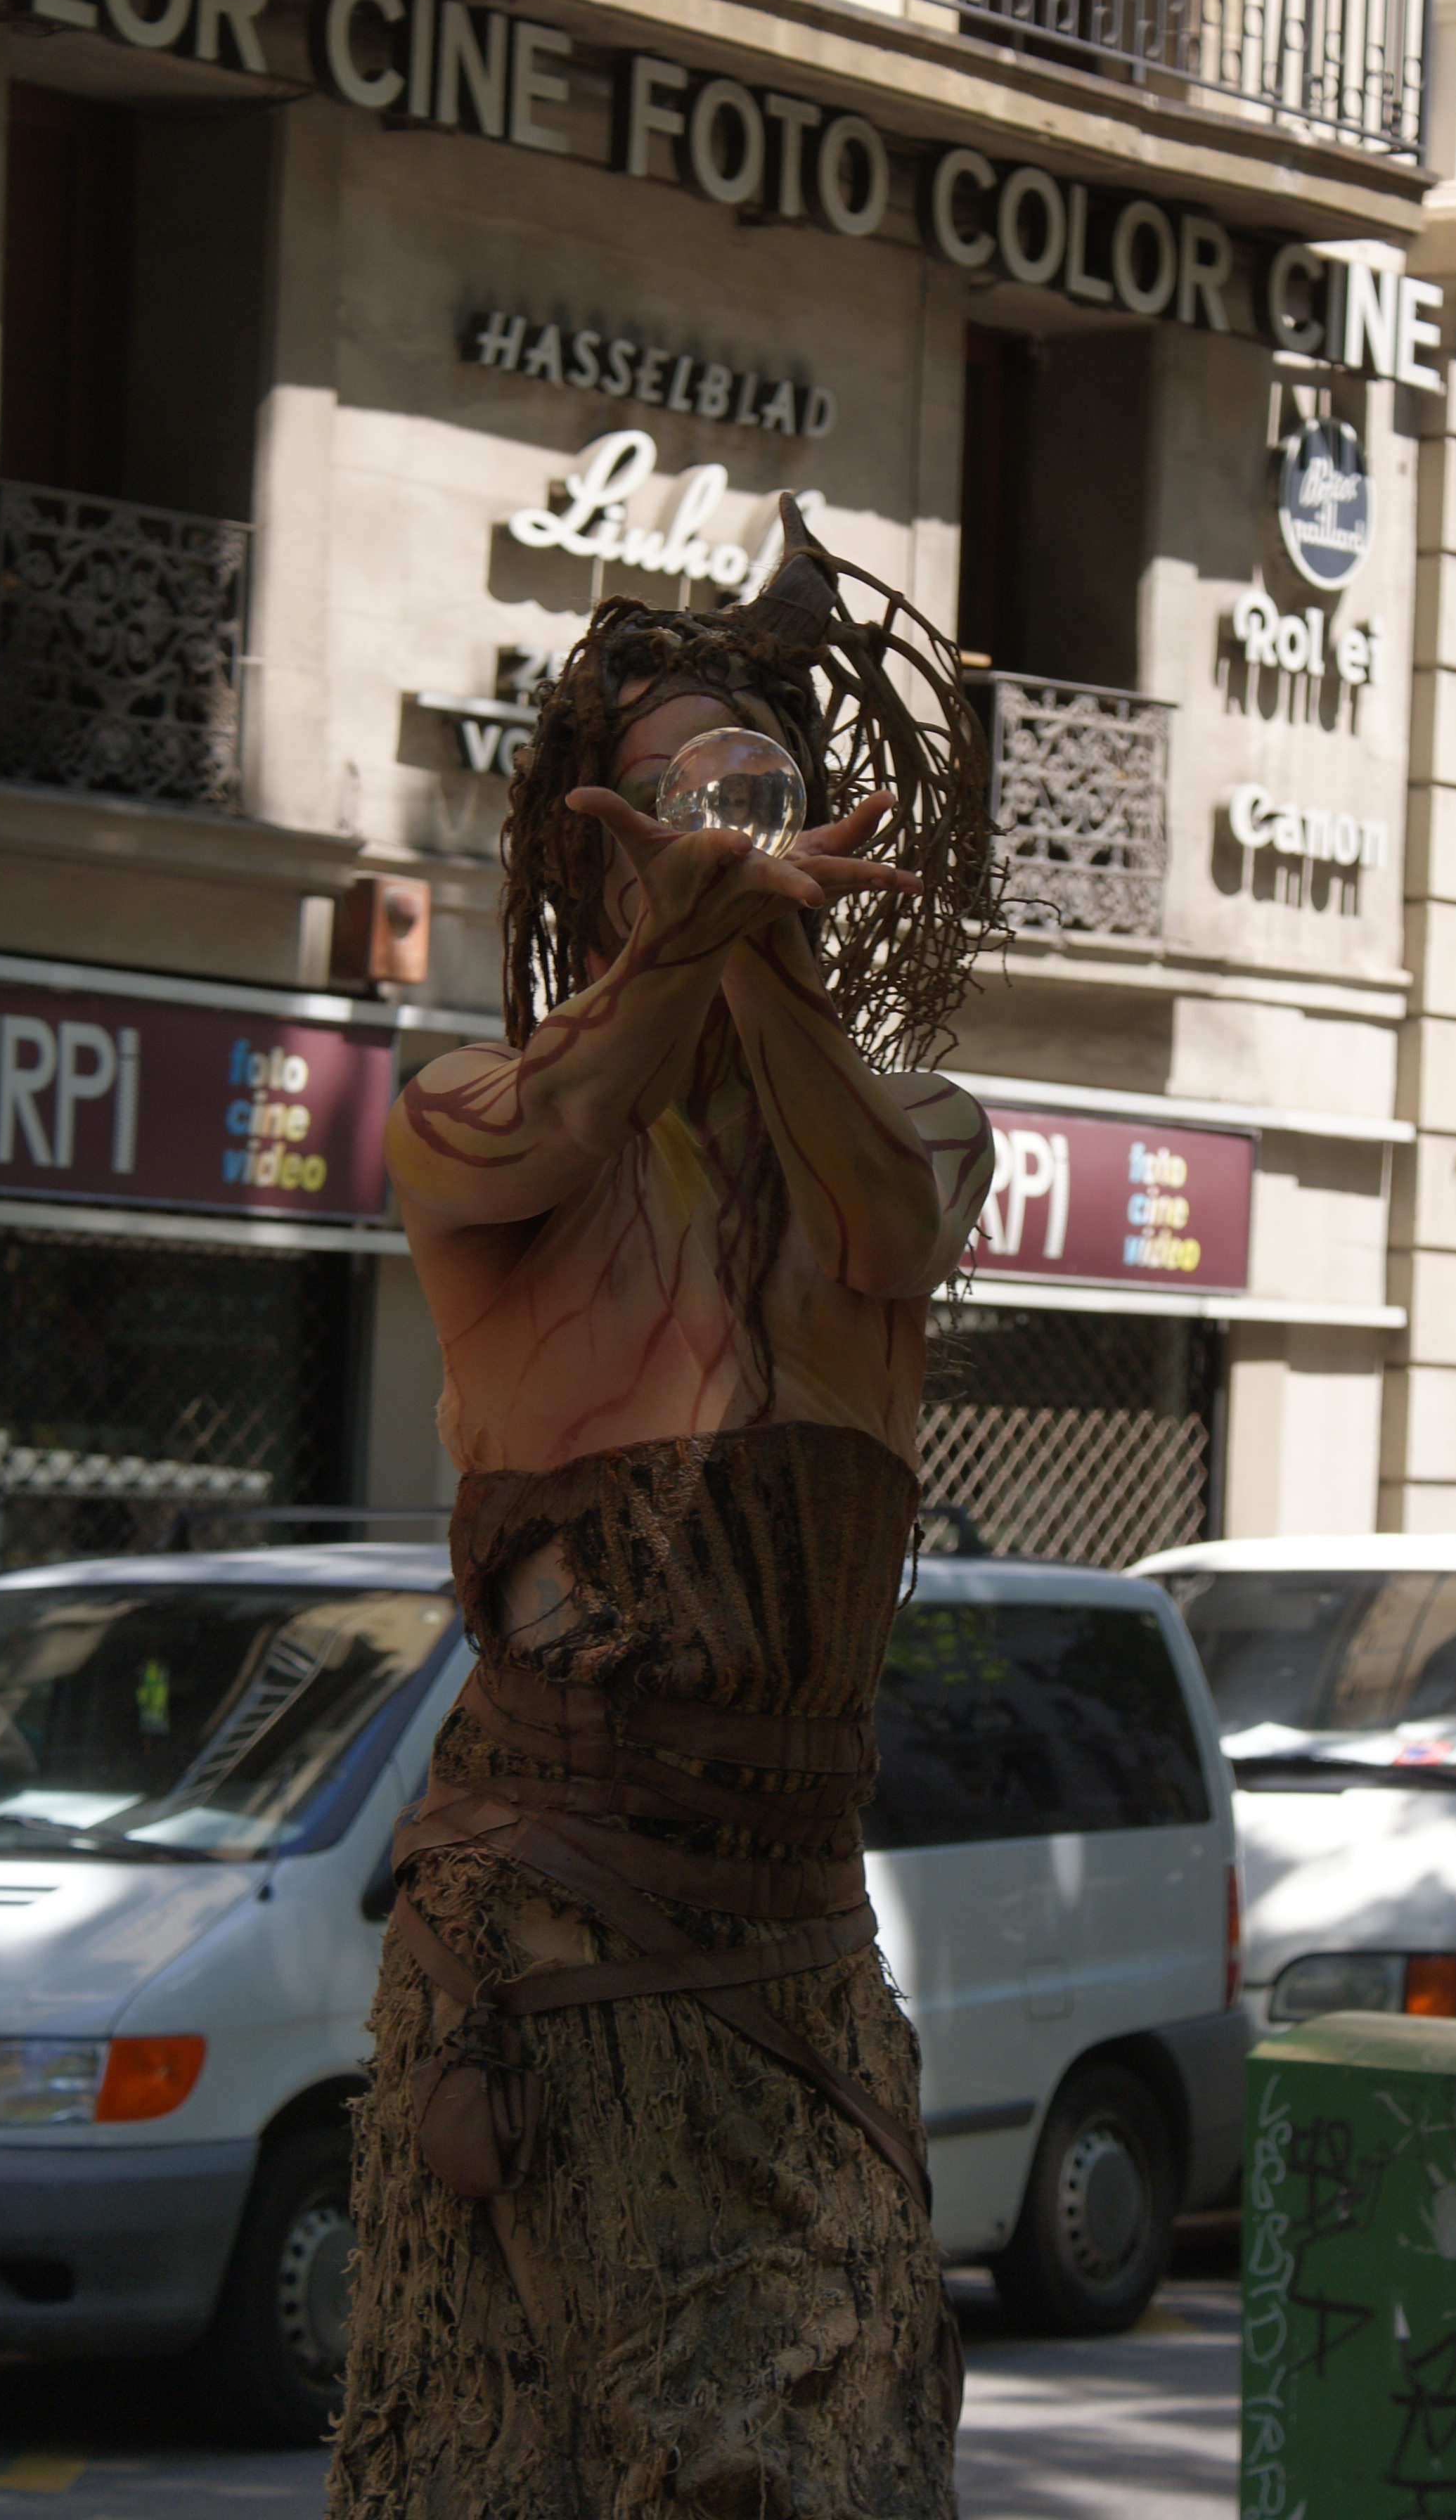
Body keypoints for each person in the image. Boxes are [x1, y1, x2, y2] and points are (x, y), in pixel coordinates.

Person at [327, 504, 998, 2520]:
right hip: (540, 1938)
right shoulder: (472, 1120)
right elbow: (543, 1128)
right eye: (677, 806)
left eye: (758, 791)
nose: (726, 834)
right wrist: (684, 943)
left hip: (789, 1956)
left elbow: (889, 1222)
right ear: (596, 855)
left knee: (815, 2457)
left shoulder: (914, 1128)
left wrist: (756, 950)